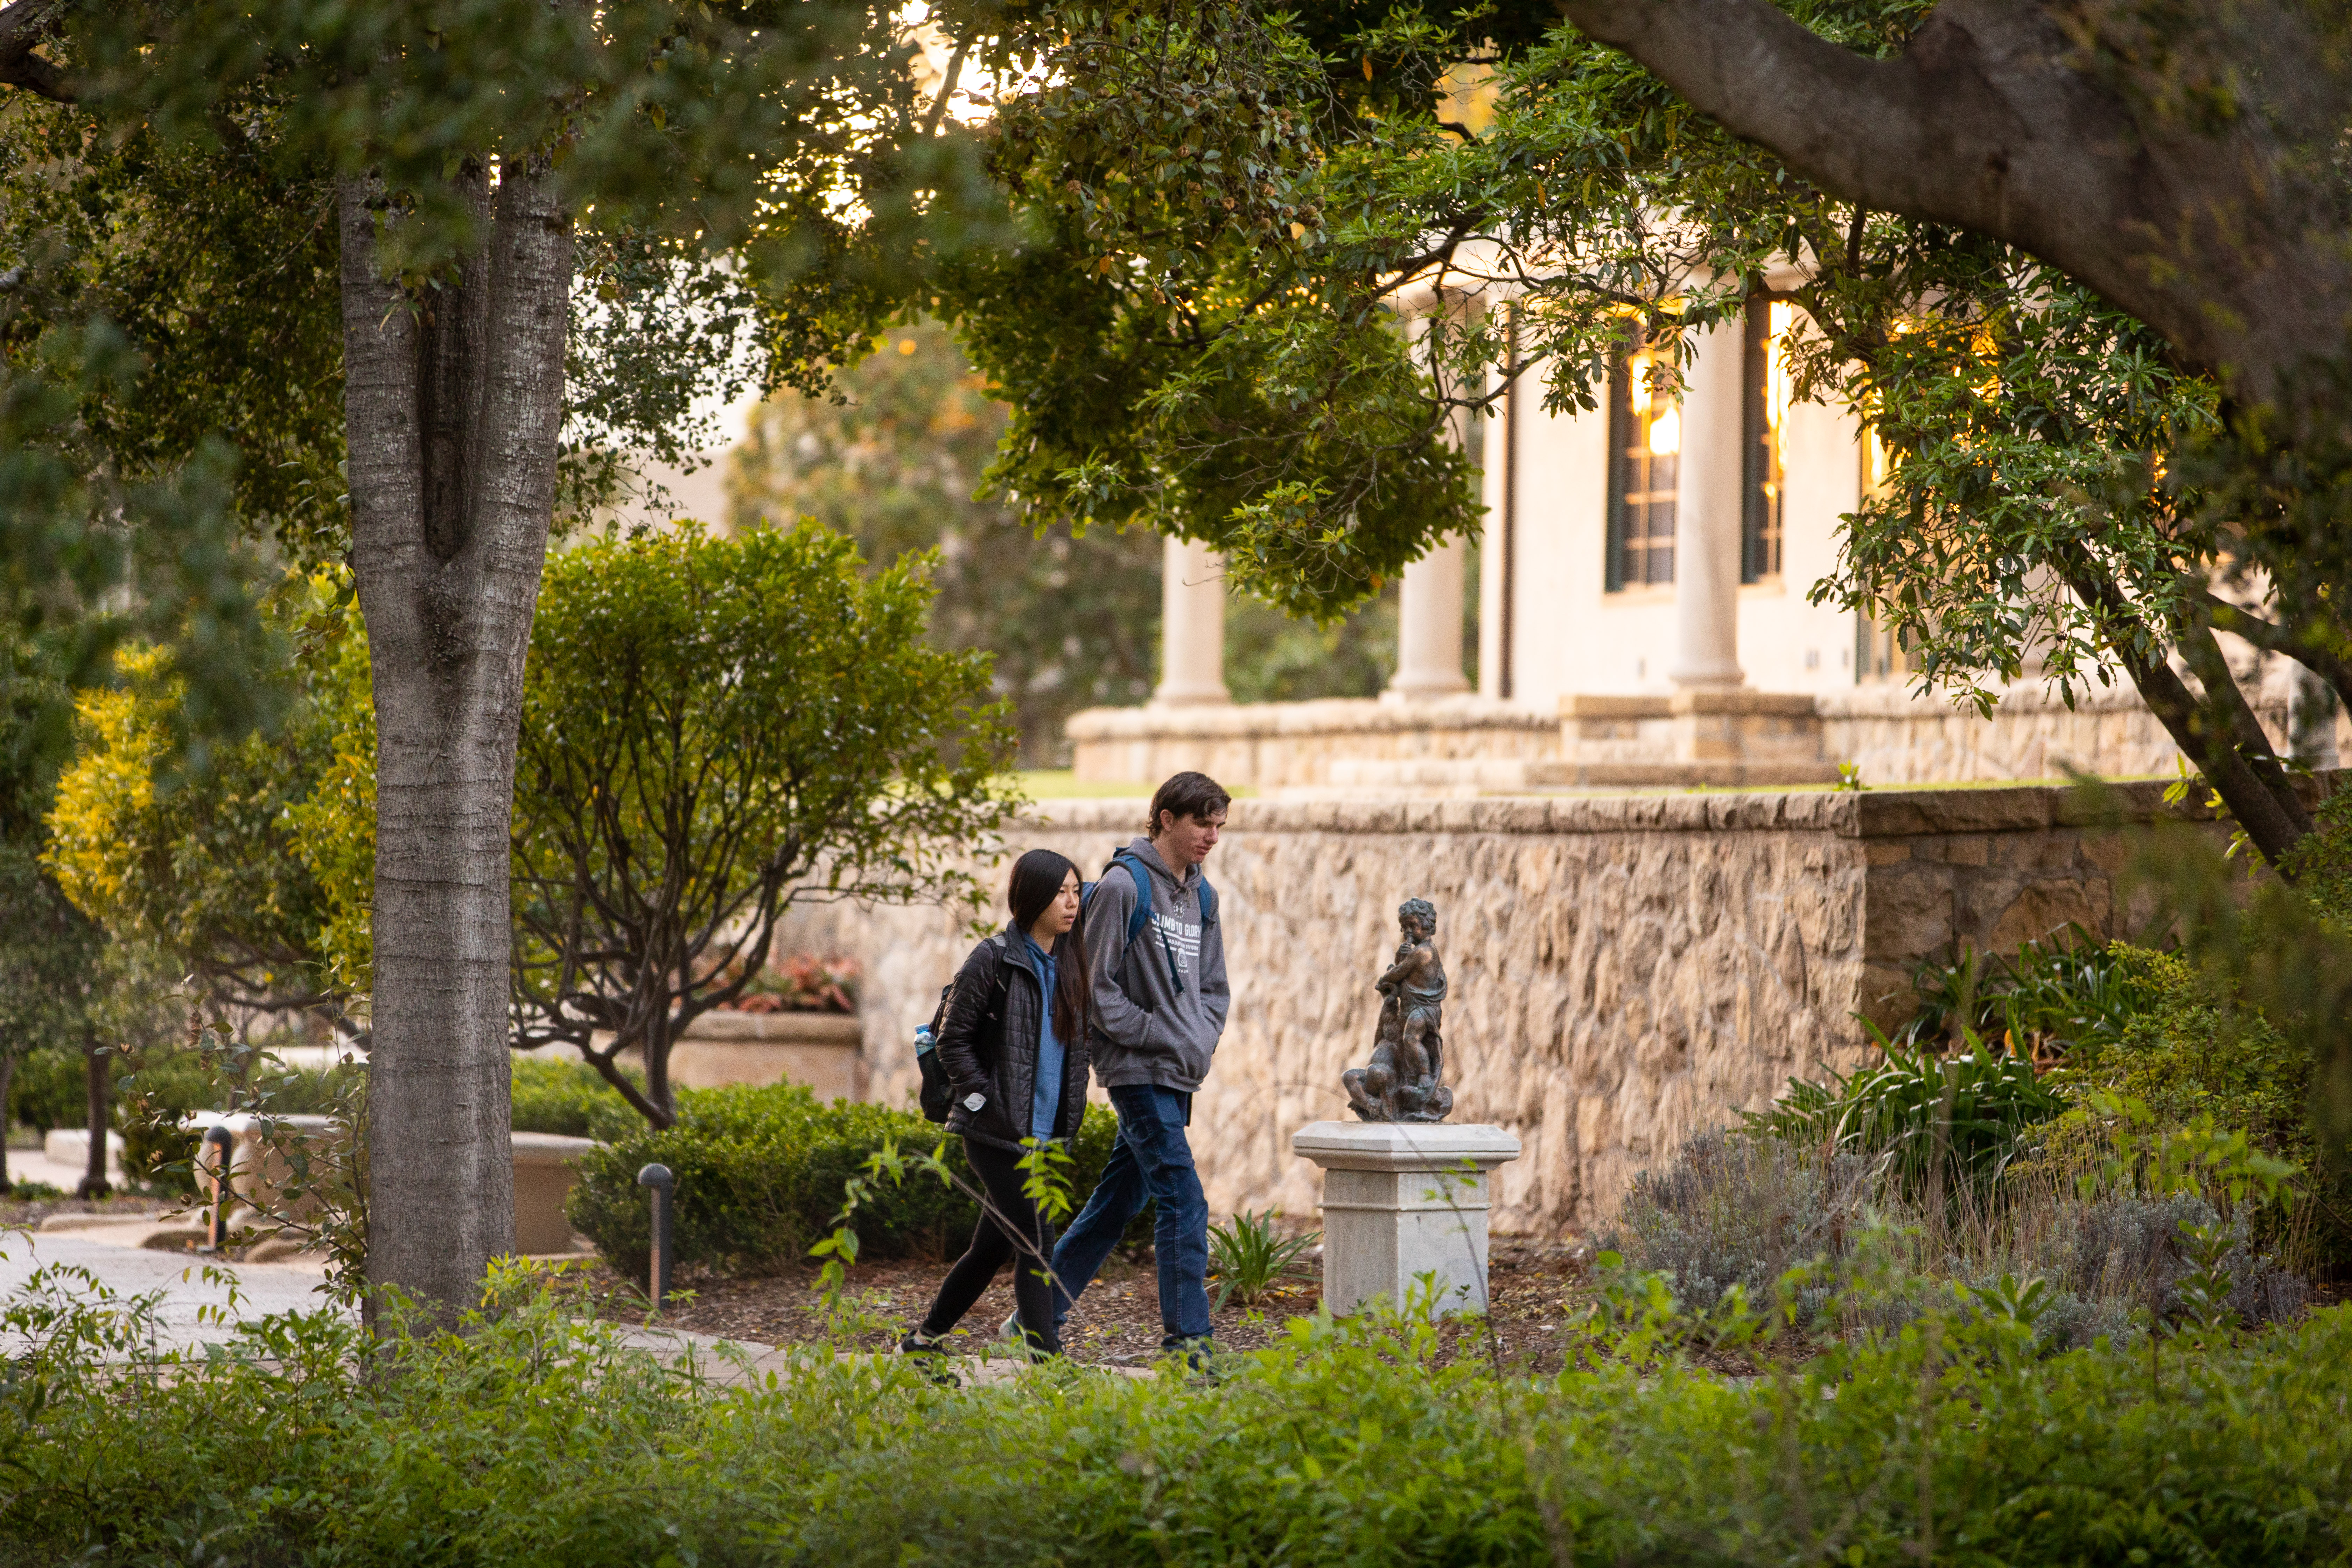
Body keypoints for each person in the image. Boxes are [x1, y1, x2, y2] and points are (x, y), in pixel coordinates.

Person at [1044, 770, 1231, 1361]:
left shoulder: (1203, 896)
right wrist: (1156, 1034)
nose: (1212, 836)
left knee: (1120, 1202)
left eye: (1220, 825)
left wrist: (1198, 1036)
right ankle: (1188, 1345)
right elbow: (1095, 990)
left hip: (1177, 1069)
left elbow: (1215, 988)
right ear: (1167, 819)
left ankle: (1035, 1316)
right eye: (1203, 822)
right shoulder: (1125, 887)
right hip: (1134, 1069)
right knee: (1183, 1196)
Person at [901, 849, 1093, 1374]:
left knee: (990, 1249)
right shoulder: (995, 957)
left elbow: (1079, 1047)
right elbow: (952, 1038)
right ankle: (1047, 1361)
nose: (1072, 903)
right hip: (995, 1131)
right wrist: (983, 1099)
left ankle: (925, 1338)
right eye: (1061, 893)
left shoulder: (1074, 961)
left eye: (1076, 892)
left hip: (1045, 1133)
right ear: (1031, 896)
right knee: (1037, 1238)